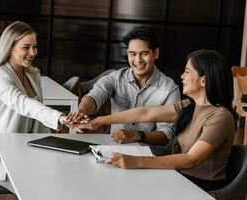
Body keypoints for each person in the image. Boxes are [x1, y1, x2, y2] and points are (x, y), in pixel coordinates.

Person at [76, 49, 235, 191]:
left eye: (187, 72)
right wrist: (98, 121)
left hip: (202, 188)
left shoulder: (220, 117)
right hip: (181, 177)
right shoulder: (189, 105)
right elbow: (144, 113)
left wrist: (137, 162)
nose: (182, 76)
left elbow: (191, 159)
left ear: (203, 81)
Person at [0, 21, 73, 181]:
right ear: (9, 48)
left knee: (63, 169)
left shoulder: (31, 74)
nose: (33, 52)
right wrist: (60, 117)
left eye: (34, 47)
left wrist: (50, 146)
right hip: (2, 153)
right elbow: (23, 104)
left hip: (28, 148)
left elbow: (38, 116)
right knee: (48, 178)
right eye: (26, 47)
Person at [68, 27, 180, 152]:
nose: (138, 60)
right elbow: (94, 96)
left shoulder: (169, 89)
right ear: (127, 53)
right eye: (133, 54)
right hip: (114, 148)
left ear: (156, 53)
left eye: (144, 53)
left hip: (148, 153)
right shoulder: (115, 78)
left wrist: (137, 136)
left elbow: (166, 136)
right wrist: (81, 111)